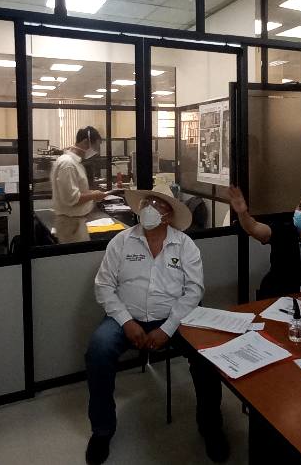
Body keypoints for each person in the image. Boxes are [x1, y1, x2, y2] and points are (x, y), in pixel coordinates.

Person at [85, 188, 227, 464]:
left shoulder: (185, 245)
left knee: (206, 356)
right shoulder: (121, 241)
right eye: (146, 203)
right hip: (126, 317)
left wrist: (167, 328)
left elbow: (194, 291)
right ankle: (102, 431)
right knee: (98, 352)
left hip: (174, 319)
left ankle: (211, 427)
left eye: (157, 204)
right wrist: (126, 322)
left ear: (168, 215)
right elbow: (103, 286)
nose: (149, 208)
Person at [51, 126, 107, 243]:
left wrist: (91, 193)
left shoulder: (75, 163)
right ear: (86, 142)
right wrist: (94, 195)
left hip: (75, 223)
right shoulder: (68, 164)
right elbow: (72, 198)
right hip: (71, 225)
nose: (96, 152)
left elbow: (76, 191)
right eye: (95, 147)